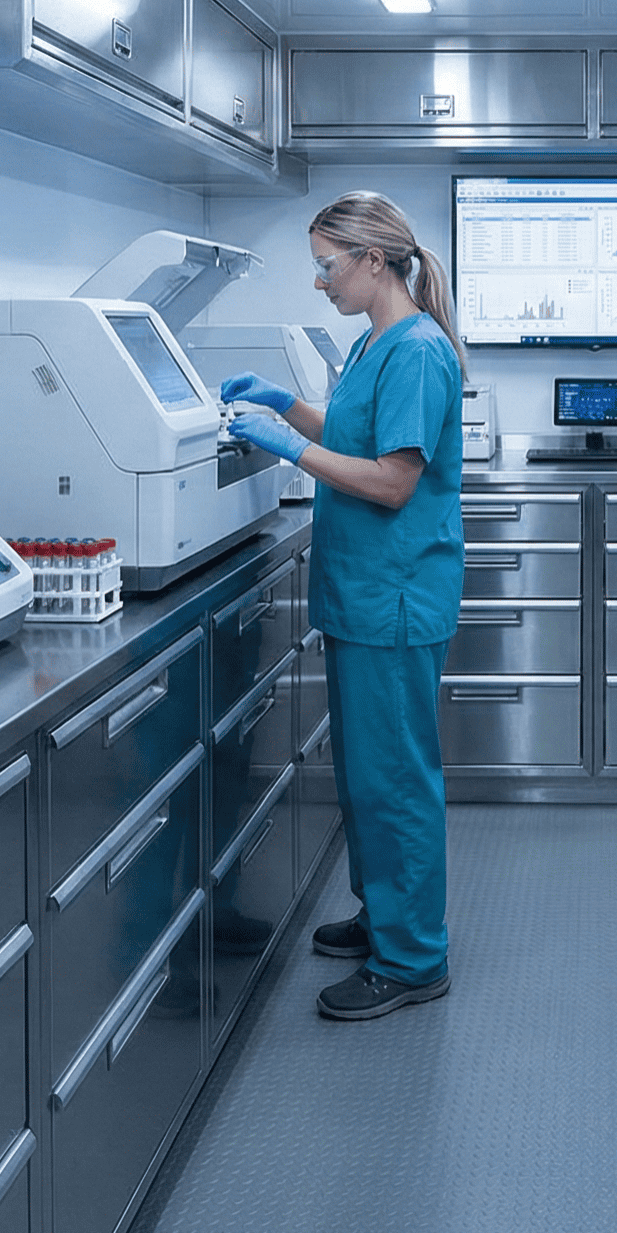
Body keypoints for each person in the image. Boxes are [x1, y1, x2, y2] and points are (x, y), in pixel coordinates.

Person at [218, 191, 465, 1021]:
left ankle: (413, 957)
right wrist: (289, 408)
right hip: (363, 593)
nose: (320, 282)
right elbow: (356, 437)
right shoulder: (373, 343)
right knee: (367, 775)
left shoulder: (418, 351)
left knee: (395, 779)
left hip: (395, 595)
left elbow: (392, 481)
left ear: (373, 259)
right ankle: (384, 914)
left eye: (328, 266)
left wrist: (291, 448)